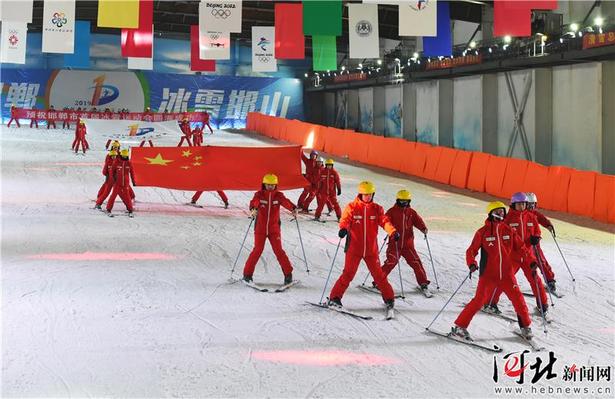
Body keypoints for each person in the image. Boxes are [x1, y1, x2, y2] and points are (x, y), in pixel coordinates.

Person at [451, 201, 536, 341]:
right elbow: (471, 251)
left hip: (507, 275)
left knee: (518, 300)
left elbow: (522, 248)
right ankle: (460, 327)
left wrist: (531, 261)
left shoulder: (509, 230)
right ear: (491, 214)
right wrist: (472, 263)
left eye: (502, 212)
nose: (501, 215)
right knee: (478, 302)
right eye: (497, 212)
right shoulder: (482, 232)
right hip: (488, 275)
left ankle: (525, 327)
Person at [328, 181, 399, 311]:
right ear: (360, 194)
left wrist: (393, 232)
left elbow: (384, 221)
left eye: (370, 194)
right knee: (348, 274)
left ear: (373, 194)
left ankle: (389, 299)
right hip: (354, 249)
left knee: (379, 275)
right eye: (365, 194)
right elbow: (345, 219)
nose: (367, 197)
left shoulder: (377, 209)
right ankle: (334, 298)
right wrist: (343, 228)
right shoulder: (352, 207)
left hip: (371, 250)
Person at [484, 192, 549, 316]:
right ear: (513, 204)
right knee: (504, 280)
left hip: (528, 255)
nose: (522, 206)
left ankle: (542, 304)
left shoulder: (531, 217)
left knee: (535, 279)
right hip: (512, 256)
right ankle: (490, 302)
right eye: (519, 204)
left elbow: (537, 231)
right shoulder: (507, 218)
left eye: (524, 204)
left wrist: (536, 238)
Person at [243, 174, 297, 285]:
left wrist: (293, 208)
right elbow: (254, 201)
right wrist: (254, 209)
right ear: (264, 184)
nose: (270, 187)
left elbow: (286, 202)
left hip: (274, 229)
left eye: (273, 185)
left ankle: (288, 275)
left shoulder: (278, 196)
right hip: (260, 229)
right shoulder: (259, 194)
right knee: (257, 250)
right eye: (268, 185)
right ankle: (247, 275)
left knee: (279, 251)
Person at [379, 189, 431, 292]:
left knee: (416, 263)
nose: (404, 203)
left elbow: (418, 221)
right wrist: (392, 232)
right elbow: (385, 222)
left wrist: (423, 228)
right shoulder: (392, 211)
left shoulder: (411, 212)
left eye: (406, 201)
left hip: (408, 245)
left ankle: (423, 283)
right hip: (395, 244)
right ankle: (378, 281)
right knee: (390, 262)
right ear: (398, 200)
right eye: (402, 201)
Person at [526, 192, 557, 293]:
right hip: (522, 245)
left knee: (541, 261)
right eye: (529, 205)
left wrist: (548, 225)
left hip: (534, 244)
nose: (531, 207)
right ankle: (503, 282)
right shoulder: (519, 214)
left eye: (533, 204)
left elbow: (542, 218)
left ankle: (550, 281)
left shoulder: (534, 213)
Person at [105, 149, 136, 216]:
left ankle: (130, 209)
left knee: (127, 196)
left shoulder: (129, 163)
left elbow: (132, 173)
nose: (124, 157)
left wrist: (134, 181)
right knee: (113, 195)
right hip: (117, 183)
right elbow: (111, 172)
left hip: (125, 183)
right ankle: (108, 209)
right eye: (123, 156)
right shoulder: (116, 162)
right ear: (121, 155)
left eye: (126, 156)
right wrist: (113, 179)